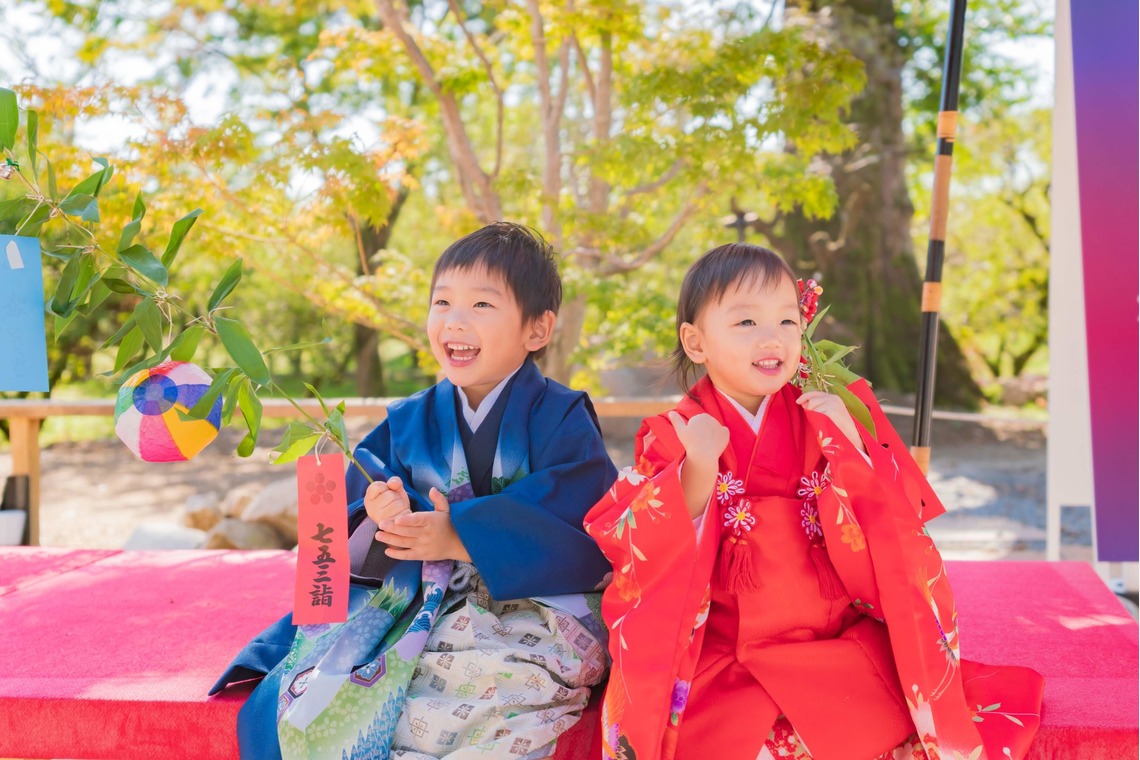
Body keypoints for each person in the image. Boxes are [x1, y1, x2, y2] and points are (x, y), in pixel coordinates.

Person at [584, 243, 1044, 760]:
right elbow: (633, 544)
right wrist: (697, 469)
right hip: (722, 649)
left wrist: (849, 447)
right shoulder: (674, 434)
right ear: (695, 342)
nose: (772, 338)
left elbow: (895, 528)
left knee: (886, 732)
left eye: (786, 320)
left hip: (829, 641)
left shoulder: (821, 417)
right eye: (745, 323)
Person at [213, 222, 616, 759]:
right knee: (348, 690)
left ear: (537, 330)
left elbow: (587, 523)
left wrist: (459, 534)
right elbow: (351, 516)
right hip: (428, 600)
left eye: (481, 306)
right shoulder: (409, 420)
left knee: (499, 691)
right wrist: (383, 517)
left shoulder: (562, 417)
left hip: (537, 610)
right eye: (442, 301)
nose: (454, 319)